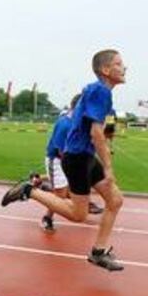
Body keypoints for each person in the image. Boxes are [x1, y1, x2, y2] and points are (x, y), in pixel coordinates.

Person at [1, 49, 127, 272]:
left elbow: (94, 129)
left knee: (115, 200)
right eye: (119, 64)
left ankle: (99, 252)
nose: (124, 68)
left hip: (84, 156)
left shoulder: (98, 91)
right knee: (79, 215)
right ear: (106, 70)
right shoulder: (100, 91)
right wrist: (108, 167)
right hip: (77, 158)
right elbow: (96, 134)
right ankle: (30, 191)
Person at [38, 94, 103, 232]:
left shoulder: (78, 121)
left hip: (72, 159)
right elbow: (62, 152)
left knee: (75, 185)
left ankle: (41, 183)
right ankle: (46, 216)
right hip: (57, 160)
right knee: (60, 195)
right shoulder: (65, 124)